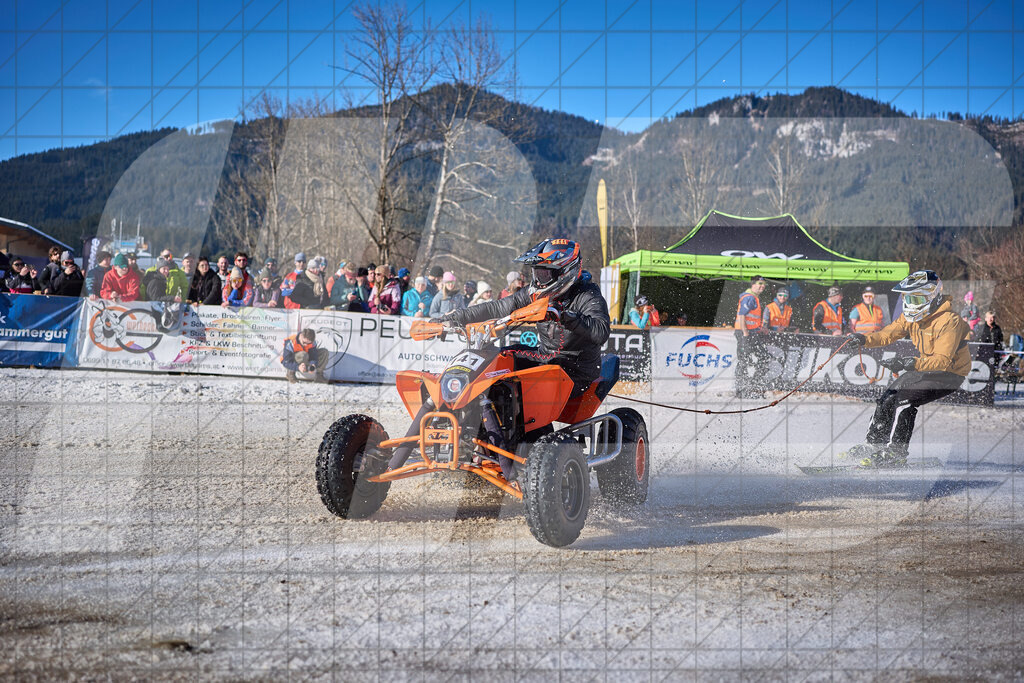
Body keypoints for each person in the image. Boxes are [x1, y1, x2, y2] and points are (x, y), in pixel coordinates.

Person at [436, 237, 610, 398]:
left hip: (576, 370)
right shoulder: (534, 293)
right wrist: (456, 317)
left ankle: (520, 427)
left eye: (544, 274)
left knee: (523, 391)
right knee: (493, 361)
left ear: (565, 272)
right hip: (547, 358)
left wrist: (565, 316)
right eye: (536, 273)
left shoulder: (588, 295)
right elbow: (498, 307)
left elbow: (601, 331)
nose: (539, 281)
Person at [844, 270, 971, 467]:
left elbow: (943, 360)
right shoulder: (910, 317)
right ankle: (874, 445)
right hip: (924, 368)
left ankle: (896, 452)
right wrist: (865, 339)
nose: (910, 303)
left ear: (932, 296)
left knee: (904, 401)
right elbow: (888, 334)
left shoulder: (949, 321)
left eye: (915, 298)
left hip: (949, 374)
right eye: (907, 297)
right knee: (888, 396)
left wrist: (911, 363)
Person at [734, 275, 767, 396]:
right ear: (752, 284)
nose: (762, 286)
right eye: (759, 283)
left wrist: (760, 328)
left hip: (752, 333)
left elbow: (751, 318)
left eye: (764, 284)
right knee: (743, 361)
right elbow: (742, 315)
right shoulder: (749, 298)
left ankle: (753, 385)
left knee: (764, 358)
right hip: (745, 334)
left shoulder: (754, 297)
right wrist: (745, 333)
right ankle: (741, 390)